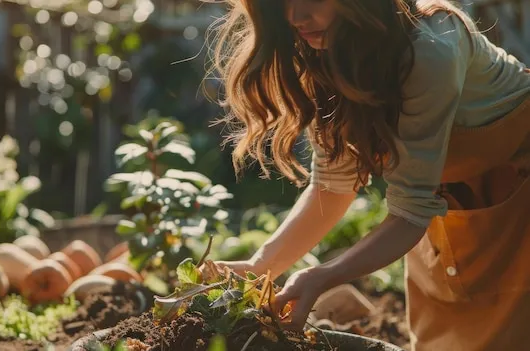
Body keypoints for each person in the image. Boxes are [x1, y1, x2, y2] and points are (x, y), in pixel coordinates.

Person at [202, 0, 530, 350]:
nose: (296, 17)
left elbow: (410, 211)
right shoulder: (323, 50)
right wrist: (260, 265)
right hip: (447, 203)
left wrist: (323, 275)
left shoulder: (430, 48)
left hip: (517, 197)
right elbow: (332, 185)